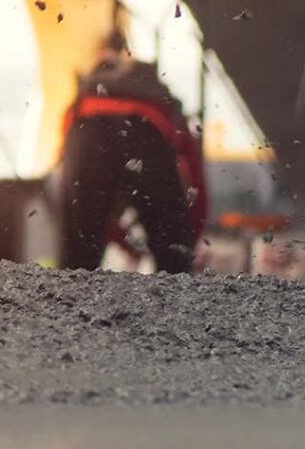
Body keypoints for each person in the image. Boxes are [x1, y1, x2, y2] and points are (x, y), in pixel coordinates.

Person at [52, 33, 204, 275]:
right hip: (147, 135)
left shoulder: (81, 104)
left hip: (86, 135)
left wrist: (125, 243)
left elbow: (78, 200)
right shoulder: (158, 97)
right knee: (174, 262)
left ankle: (64, 307)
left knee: (75, 266)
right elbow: (195, 179)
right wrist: (186, 244)